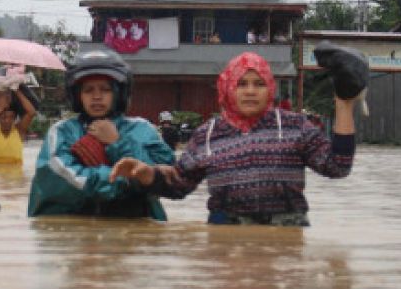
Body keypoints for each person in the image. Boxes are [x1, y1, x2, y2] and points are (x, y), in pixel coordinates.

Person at [110, 52, 358, 226]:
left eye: (258, 83)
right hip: (224, 235)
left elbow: (338, 166)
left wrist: (344, 105)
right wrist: (145, 173)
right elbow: (179, 183)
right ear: (228, 88)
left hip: (285, 235)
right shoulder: (207, 134)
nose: (250, 91)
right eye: (242, 84)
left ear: (269, 88)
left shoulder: (294, 126)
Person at [27, 50, 175, 219]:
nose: (97, 97)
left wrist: (118, 143)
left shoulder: (142, 129)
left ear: (119, 93)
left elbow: (167, 176)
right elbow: (60, 179)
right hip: (78, 235)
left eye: (105, 89)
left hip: (134, 231)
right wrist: (125, 180)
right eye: (88, 90)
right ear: (77, 96)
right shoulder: (61, 132)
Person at [0, 88, 36, 164]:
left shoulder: (19, 130)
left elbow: (32, 113)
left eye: (11, 117)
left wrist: (17, 91)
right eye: (3, 117)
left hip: (16, 174)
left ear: (14, 119)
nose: (7, 121)